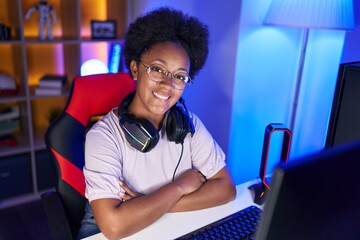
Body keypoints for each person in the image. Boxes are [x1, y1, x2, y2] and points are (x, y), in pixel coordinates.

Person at [78, 7, 236, 240]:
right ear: (135, 69)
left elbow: (226, 189)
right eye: (157, 70)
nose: (167, 85)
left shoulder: (189, 125)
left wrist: (148, 203)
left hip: (161, 226)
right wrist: (180, 187)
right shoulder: (103, 136)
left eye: (179, 76)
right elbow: (113, 226)